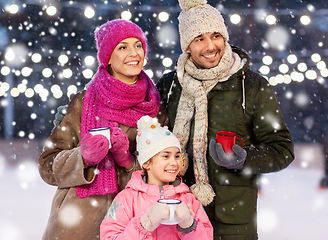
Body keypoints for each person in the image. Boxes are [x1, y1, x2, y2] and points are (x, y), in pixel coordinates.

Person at [155, 0, 295, 239]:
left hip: (232, 223)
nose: (211, 46)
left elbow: (282, 149)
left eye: (216, 35)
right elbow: (153, 142)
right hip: (177, 214)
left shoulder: (252, 86)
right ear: (187, 46)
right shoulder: (171, 86)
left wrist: (245, 159)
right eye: (200, 39)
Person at [38, 19, 166, 240]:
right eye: (122, 47)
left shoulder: (154, 108)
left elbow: (167, 168)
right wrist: (83, 158)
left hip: (133, 225)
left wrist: (128, 162)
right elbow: (48, 166)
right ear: (107, 57)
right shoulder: (83, 102)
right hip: (76, 225)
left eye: (138, 45)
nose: (133, 53)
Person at [100, 115, 213, 239]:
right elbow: (109, 237)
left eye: (177, 156)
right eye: (166, 156)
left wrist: (189, 225)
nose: (174, 163)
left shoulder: (189, 200)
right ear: (147, 163)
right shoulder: (127, 199)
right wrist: (144, 224)